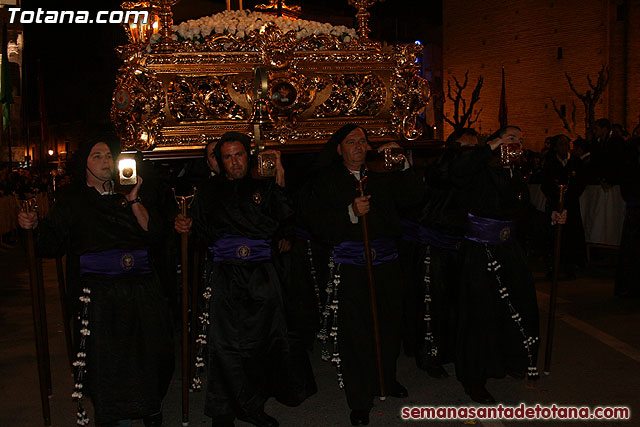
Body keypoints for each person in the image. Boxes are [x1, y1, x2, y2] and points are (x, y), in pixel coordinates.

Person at [18, 138, 174, 427]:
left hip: (141, 290)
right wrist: (31, 226)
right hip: (99, 296)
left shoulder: (132, 193)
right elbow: (50, 244)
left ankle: (150, 406)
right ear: (84, 164)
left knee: (150, 352)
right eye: (97, 155)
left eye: (108, 156)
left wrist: (134, 199)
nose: (105, 160)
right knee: (108, 362)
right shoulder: (71, 199)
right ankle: (113, 416)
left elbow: (155, 234)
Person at [174, 132, 311, 427]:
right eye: (227, 157)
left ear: (247, 155)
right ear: (219, 161)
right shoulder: (207, 192)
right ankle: (223, 410)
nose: (234, 162)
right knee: (225, 344)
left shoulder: (265, 187)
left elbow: (286, 221)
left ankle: (253, 405)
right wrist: (185, 227)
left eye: (238, 155)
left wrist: (281, 178)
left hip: (262, 274)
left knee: (263, 341)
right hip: (226, 275)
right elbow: (200, 236)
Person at [303, 124, 423, 426]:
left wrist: (402, 160)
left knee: (389, 324)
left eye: (363, 141)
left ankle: (386, 379)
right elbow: (316, 222)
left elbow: (416, 196)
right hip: (352, 267)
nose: (359, 146)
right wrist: (351, 214)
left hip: (387, 264)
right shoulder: (326, 180)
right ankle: (359, 398)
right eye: (351, 141)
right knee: (356, 333)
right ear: (340, 148)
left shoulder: (381, 176)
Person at [451, 126, 565, 404]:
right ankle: (474, 378)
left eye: (520, 139)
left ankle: (513, 359)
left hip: (509, 250)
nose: (517, 144)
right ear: (496, 141)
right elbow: (453, 172)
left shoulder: (514, 174)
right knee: (480, 315)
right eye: (510, 138)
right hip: (479, 251)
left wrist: (550, 219)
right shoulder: (476, 169)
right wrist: (490, 146)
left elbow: (522, 212)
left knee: (520, 306)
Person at [402, 128, 479, 378]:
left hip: (460, 244)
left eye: (473, 150)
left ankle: (454, 351)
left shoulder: (476, 173)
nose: (470, 155)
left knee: (458, 303)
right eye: (464, 149)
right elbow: (446, 177)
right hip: (433, 244)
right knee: (431, 302)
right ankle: (429, 356)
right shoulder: (440, 169)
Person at [541, 134, 586, 279]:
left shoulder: (575, 162)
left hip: (571, 204)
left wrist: (569, 195)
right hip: (555, 204)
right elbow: (545, 183)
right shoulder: (550, 162)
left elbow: (580, 182)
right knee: (553, 236)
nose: (563, 147)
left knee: (571, 235)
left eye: (566, 144)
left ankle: (570, 266)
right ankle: (552, 266)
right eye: (560, 144)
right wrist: (555, 196)